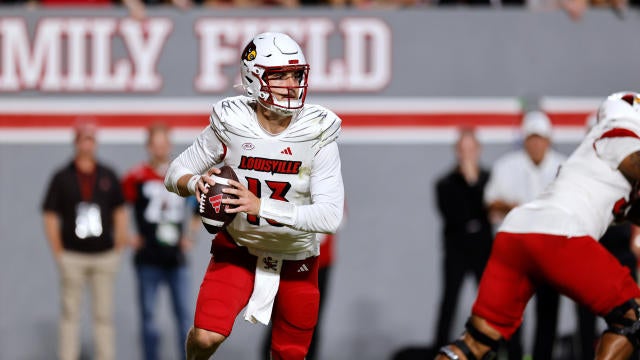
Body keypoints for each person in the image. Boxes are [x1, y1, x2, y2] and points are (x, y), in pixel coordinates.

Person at [163, 32, 344, 360]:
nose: (291, 84)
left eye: (295, 75)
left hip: (296, 257)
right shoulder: (233, 122)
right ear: (254, 79)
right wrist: (195, 183)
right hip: (239, 249)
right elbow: (175, 171)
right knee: (204, 338)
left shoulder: (318, 130)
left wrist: (261, 205)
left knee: (288, 355)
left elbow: (330, 216)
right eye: (279, 76)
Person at [435, 91, 640, 360]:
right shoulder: (619, 133)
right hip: (558, 235)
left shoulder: (591, 155)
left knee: (477, 340)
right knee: (631, 317)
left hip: (516, 233)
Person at [483, 110, 566, 360]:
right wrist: (511, 207)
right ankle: (516, 356)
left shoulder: (564, 166)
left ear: (549, 140)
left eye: (540, 138)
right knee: (513, 311)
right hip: (516, 252)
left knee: (548, 311)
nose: (536, 144)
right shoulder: (507, 166)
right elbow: (490, 202)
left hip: (549, 251)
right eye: (531, 138)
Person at [42, 120, 127, 360]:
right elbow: (49, 214)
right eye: (83, 139)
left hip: (104, 256)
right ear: (76, 143)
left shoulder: (108, 175)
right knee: (70, 315)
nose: (87, 145)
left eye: (91, 139)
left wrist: (119, 245)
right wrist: (58, 251)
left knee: (104, 316)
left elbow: (120, 211)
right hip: (73, 256)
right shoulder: (62, 177)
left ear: (95, 143)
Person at [121, 123, 200, 360]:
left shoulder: (182, 176)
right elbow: (119, 206)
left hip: (176, 257)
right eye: (156, 144)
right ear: (148, 146)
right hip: (148, 256)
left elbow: (198, 207)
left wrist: (191, 236)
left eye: (164, 143)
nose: (160, 148)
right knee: (149, 318)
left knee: (185, 316)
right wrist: (126, 235)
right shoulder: (136, 176)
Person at [432, 128, 494, 350]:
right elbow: (455, 215)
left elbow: (489, 212)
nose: (467, 153)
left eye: (471, 148)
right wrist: (470, 184)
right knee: (449, 302)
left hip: (483, 249)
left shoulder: (490, 179)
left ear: (478, 150)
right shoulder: (444, 183)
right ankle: (438, 350)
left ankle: (498, 349)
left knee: (491, 303)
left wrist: (474, 183)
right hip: (456, 250)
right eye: (462, 149)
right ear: (456, 151)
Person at [261, 231, 340, 360]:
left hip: (318, 259)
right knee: (282, 317)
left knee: (308, 321)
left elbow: (334, 220)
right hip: (288, 255)